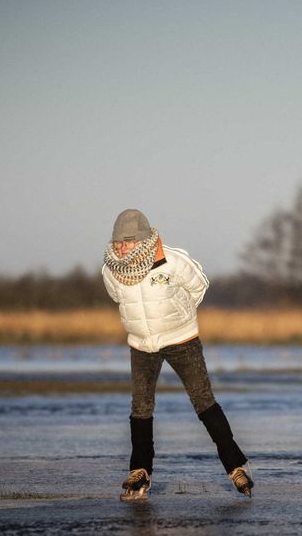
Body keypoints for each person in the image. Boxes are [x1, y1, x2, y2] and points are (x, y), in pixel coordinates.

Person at [102, 209, 253, 501]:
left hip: (181, 339)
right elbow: (117, 297)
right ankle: (140, 470)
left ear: (144, 239)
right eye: (118, 241)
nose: (121, 246)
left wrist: (179, 317)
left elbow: (199, 285)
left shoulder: (172, 259)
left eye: (128, 241)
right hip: (142, 344)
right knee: (141, 407)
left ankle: (235, 465)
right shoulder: (111, 269)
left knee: (204, 402)